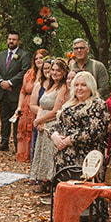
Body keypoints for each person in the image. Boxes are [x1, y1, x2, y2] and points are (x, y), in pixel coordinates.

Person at [50, 71, 109, 177]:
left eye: (84, 85)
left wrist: (69, 140)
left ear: (91, 86)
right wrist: (55, 136)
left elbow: (95, 131)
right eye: (76, 85)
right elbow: (56, 124)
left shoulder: (98, 104)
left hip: (85, 159)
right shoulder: (68, 104)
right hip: (62, 157)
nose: (79, 88)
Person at [28, 56, 70, 190]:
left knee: (50, 155)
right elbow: (41, 105)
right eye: (53, 70)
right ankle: (41, 180)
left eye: (58, 70)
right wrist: (38, 120)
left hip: (53, 124)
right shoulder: (50, 86)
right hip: (42, 124)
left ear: (64, 72)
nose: (55, 73)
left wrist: (41, 120)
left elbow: (56, 110)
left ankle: (51, 181)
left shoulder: (63, 88)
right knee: (41, 153)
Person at [0, 30, 30, 152]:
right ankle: (4, 143)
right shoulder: (2, 55)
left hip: (15, 92)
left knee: (17, 120)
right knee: (4, 119)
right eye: (9, 39)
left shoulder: (24, 55)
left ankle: (17, 144)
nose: (11, 41)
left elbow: (24, 71)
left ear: (18, 41)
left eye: (14, 39)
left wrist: (10, 82)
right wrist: (1, 82)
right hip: (2, 93)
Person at [15, 51, 46, 163]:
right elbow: (23, 91)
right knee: (24, 130)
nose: (38, 60)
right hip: (27, 104)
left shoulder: (48, 74)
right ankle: (24, 155)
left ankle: (35, 155)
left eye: (41, 57)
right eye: (36, 58)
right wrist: (19, 107)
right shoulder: (29, 73)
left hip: (39, 105)